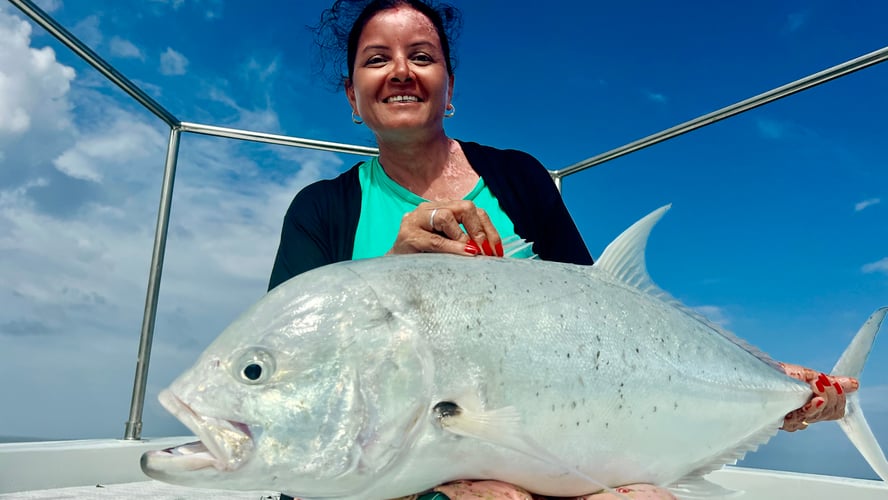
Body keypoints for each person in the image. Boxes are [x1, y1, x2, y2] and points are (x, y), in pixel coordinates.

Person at [268, 1, 856, 498]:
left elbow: (605, 313)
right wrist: (392, 274)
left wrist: (780, 382)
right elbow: (295, 370)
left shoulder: (518, 178)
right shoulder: (322, 212)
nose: (401, 71)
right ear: (352, 95)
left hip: (554, 459)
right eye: (377, 59)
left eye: (422, 56)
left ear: (449, 88)